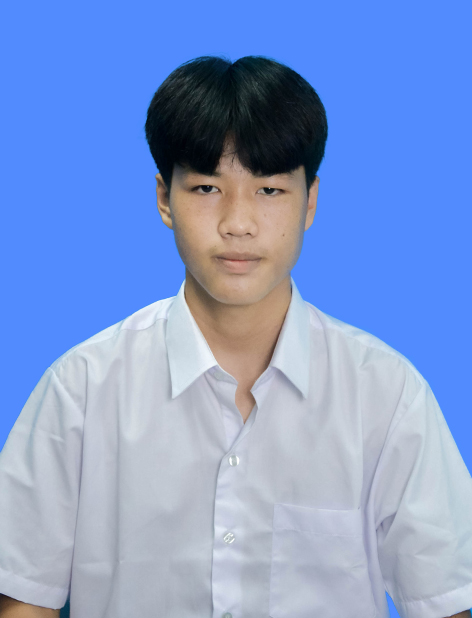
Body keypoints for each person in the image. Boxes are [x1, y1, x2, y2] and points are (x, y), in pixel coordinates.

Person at [0, 55, 471, 618]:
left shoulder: (386, 396)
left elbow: (445, 602)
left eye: (269, 190)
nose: (238, 223)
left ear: (310, 201)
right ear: (164, 199)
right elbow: (23, 602)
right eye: (206, 187)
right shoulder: (80, 390)